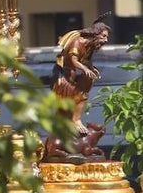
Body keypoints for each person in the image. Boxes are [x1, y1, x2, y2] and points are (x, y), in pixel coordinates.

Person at [43, 18, 111, 161]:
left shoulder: (90, 46)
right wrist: (85, 69)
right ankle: (62, 136)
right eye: (104, 36)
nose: (106, 40)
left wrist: (91, 69)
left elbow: (87, 59)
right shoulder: (77, 42)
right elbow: (73, 60)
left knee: (85, 87)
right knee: (63, 110)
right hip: (63, 78)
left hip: (73, 78)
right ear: (95, 33)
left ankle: (76, 119)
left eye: (107, 37)